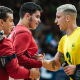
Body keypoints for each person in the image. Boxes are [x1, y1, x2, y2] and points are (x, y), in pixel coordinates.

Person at [0, 6, 41, 80]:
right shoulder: (5, 43)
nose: (13, 24)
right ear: (1, 22)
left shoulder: (10, 34)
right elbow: (14, 71)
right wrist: (31, 71)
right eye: (11, 21)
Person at [41, 4, 80, 80]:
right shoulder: (63, 40)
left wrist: (77, 69)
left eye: (58, 17)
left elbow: (76, 70)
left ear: (67, 18)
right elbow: (56, 64)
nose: (55, 21)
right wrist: (40, 62)